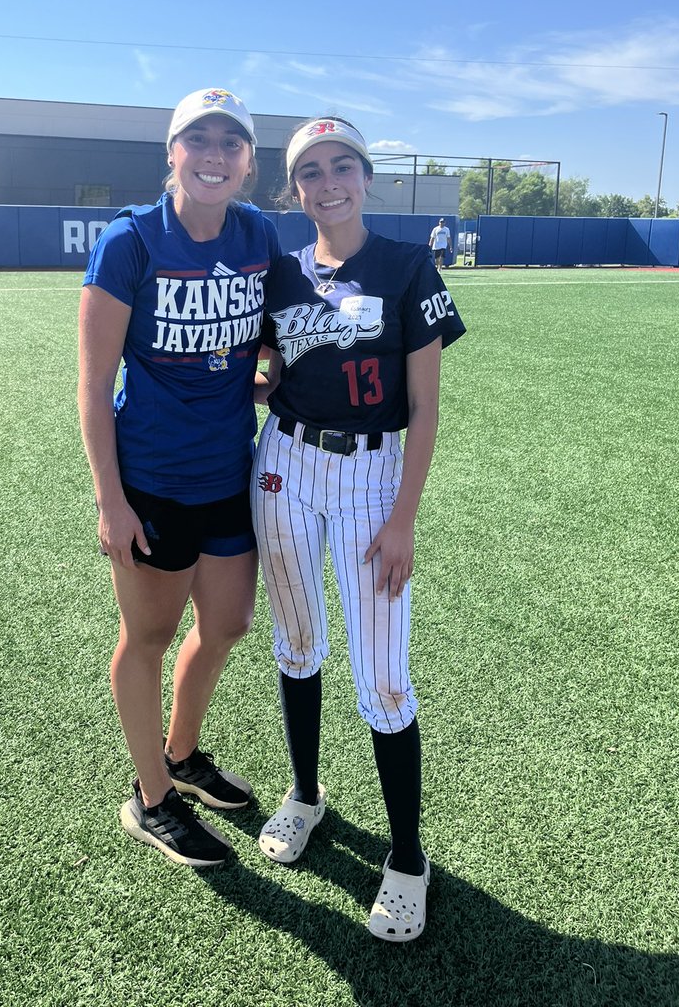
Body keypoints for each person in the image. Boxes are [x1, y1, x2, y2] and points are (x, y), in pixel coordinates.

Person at [251, 117, 465, 940]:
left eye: (343, 166)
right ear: (295, 189)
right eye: (311, 171)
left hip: (373, 477)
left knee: (383, 680)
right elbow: (273, 373)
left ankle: (406, 858)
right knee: (296, 643)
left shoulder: (408, 265)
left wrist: (405, 517)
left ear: (367, 177)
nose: (329, 182)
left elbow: (425, 407)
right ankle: (306, 795)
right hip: (284, 464)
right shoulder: (280, 272)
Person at [78, 88, 280, 868]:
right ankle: (151, 797)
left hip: (230, 471)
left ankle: (183, 755)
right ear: (172, 153)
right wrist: (111, 501)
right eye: (199, 139)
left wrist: (266, 377)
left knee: (227, 625)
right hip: (154, 480)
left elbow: (267, 334)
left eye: (231, 143)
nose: (214, 155)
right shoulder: (130, 241)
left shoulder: (256, 232)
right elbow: (94, 384)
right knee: (149, 638)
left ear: (249, 163)